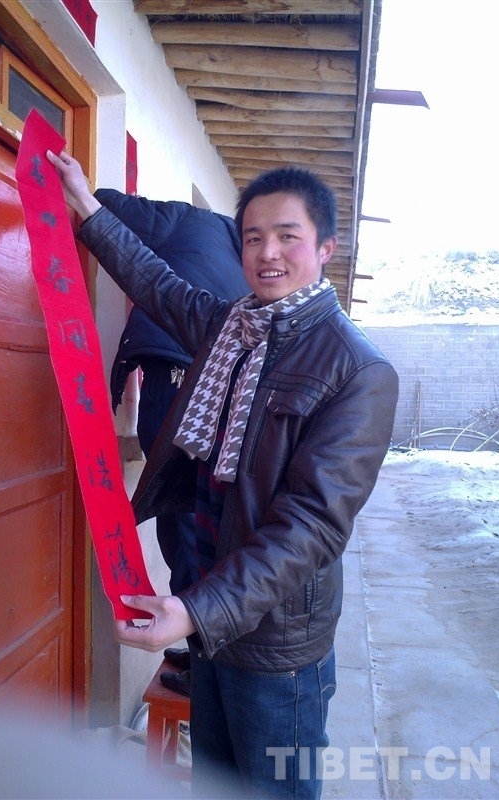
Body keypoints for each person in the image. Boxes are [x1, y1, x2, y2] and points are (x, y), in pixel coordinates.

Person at [48, 149, 399, 800]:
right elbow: (156, 282)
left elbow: (311, 528)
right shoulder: (231, 328)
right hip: (209, 618)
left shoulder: (359, 372)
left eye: (287, 236)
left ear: (325, 248)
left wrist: (194, 611)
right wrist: (84, 204)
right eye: (253, 238)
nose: (268, 253)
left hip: (273, 644)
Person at [97, 188, 249, 599]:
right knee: (202, 501)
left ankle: (191, 617)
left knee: (177, 497)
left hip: (177, 369)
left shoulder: (189, 219)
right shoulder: (248, 258)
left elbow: (111, 205)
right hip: (223, 382)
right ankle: (201, 615)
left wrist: (78, 189)